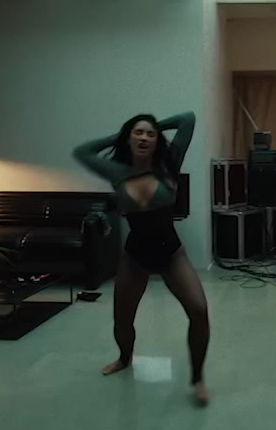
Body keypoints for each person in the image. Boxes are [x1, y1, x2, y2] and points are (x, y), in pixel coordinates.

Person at [73, 112, 211, 406]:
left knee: (199, 310)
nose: (144, 138)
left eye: (150, 134)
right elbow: (82, 152)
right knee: (122, 321)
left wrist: (157, 127)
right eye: (138, 133)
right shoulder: (116, 171)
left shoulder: (169, 164)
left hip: (171, 253)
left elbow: (187, 119)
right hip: (135, 256)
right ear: (129, 138)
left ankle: (198, 378)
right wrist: (120, 134)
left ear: (157, 140)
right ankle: (124, 359)